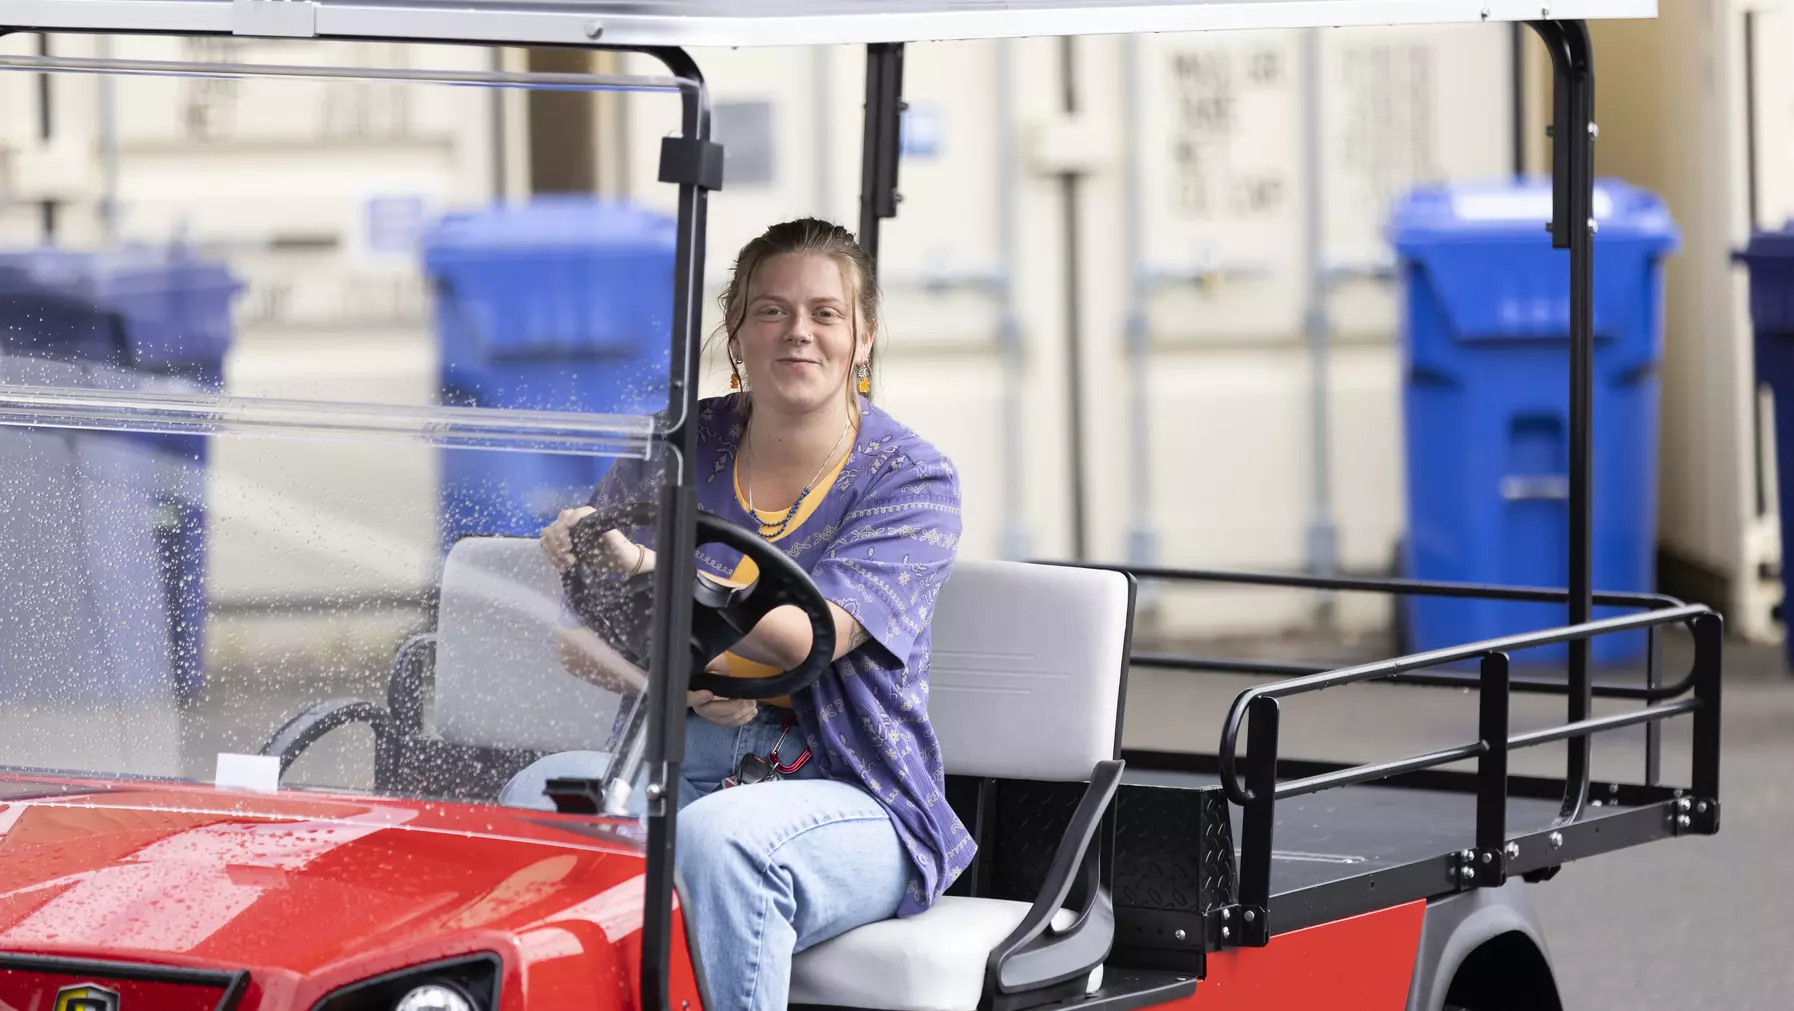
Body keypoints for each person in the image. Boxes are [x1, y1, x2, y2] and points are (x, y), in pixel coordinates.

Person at [501, 218, 974, 1011]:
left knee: (726, 846)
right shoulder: (680, 445)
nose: (799, 333)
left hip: (848, 787)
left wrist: (654, 564)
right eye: (771, 311)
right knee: (536, 797)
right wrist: (670, 672)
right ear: (736, 330)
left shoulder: (912, 480)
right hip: (671, 763)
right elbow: (578, 638)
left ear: (862, 338)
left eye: (826, 314)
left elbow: (803, 634)